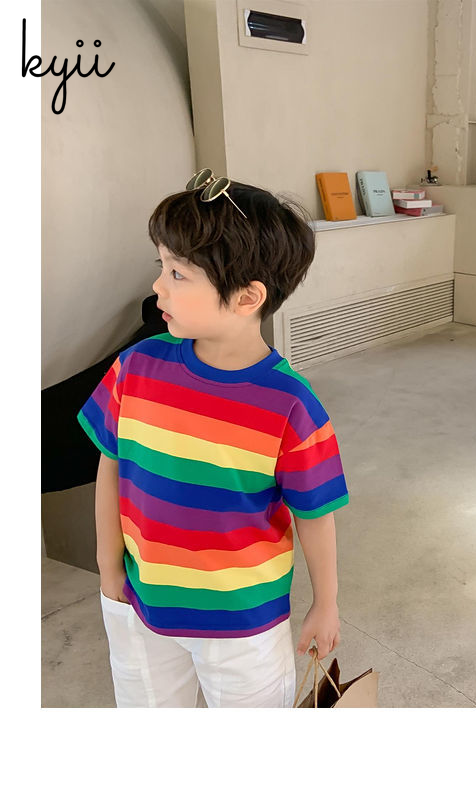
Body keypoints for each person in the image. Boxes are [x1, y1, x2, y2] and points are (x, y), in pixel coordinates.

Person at [77, 170, 349, 708]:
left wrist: (326, 603)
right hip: (139, 606)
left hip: (244, 629)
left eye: (178, 273)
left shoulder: (292, 406)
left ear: (247, 297)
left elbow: (315, 514)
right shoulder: (135, 368)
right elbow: (111, 465)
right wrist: (109, 569)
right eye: (161, 266)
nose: (158, 286)